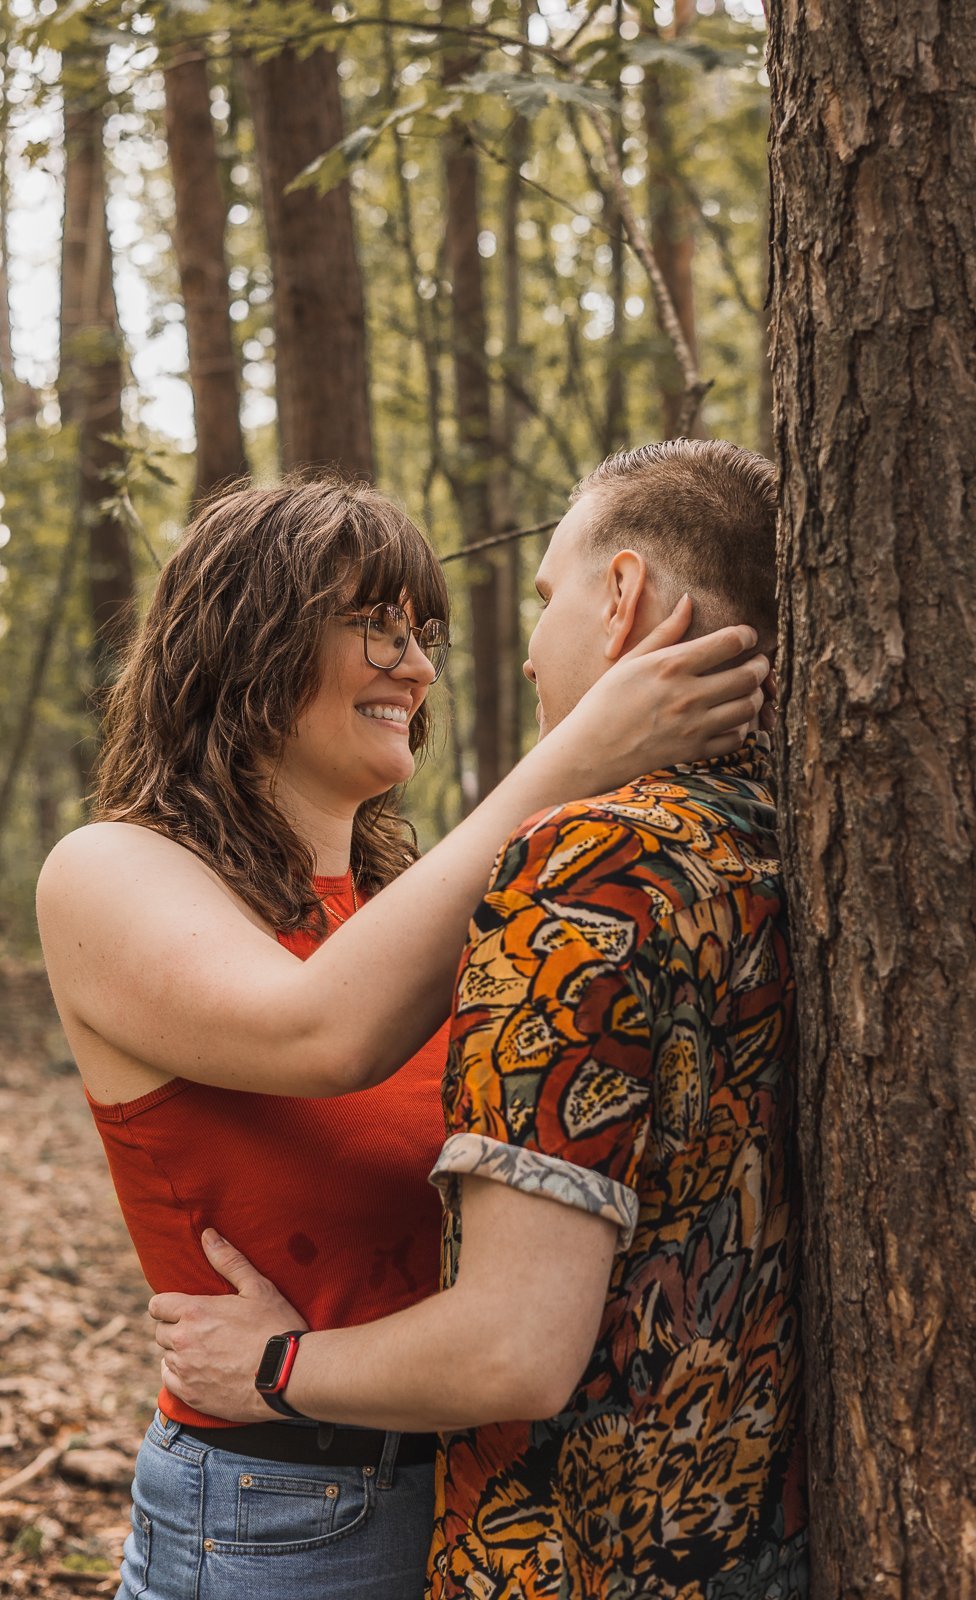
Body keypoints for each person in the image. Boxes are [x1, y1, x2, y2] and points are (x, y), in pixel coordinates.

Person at [36, 473, 769, 1600]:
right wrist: (580, 752)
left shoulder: (406, 908)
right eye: (372, 624)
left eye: (421, 632)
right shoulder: (109, 872)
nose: (417, 667)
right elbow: (319, 1030)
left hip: (484, 1501)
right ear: (247, 637)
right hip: (281, 1514)